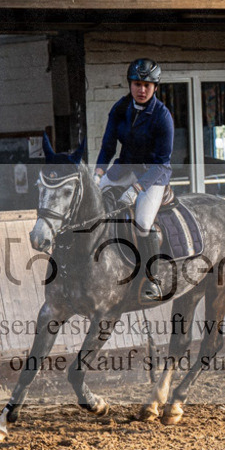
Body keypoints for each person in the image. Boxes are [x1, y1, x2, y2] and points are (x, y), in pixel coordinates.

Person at [95, 58, 175, 301]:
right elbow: (108, 146)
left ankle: (152, 280)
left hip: (153, 175)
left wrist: (137, 188)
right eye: (137, 84)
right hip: (124, 170)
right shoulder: (120, 109)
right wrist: (97, 174)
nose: (141, 90)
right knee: (92, 202)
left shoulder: (162, 116)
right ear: (130, 84)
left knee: (142, 222)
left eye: (147, 85)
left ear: (155, 87)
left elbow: (162, 161)